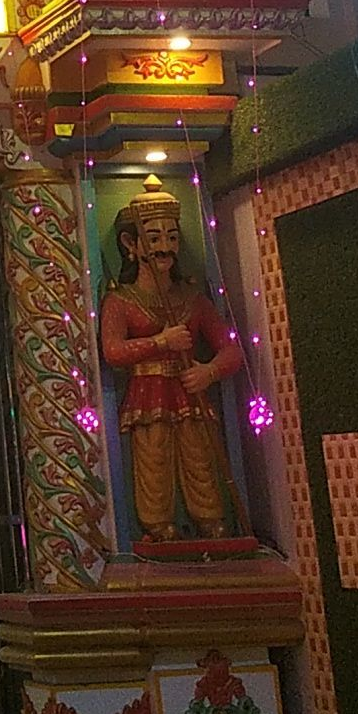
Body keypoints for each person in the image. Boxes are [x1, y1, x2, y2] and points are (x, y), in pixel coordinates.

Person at [100, 178, 244, 543]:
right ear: (130, 244)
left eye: (171, 237)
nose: (165, 247)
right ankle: (159, 529)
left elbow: (232, 348)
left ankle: (211, 525)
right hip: (147, 393)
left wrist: (209, 371)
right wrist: (160, 341)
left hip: (189, 391)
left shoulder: (193, 298)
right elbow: (113, 352)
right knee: (154, 465)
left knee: (201, 463)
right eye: (154, 238)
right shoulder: (121, 301)